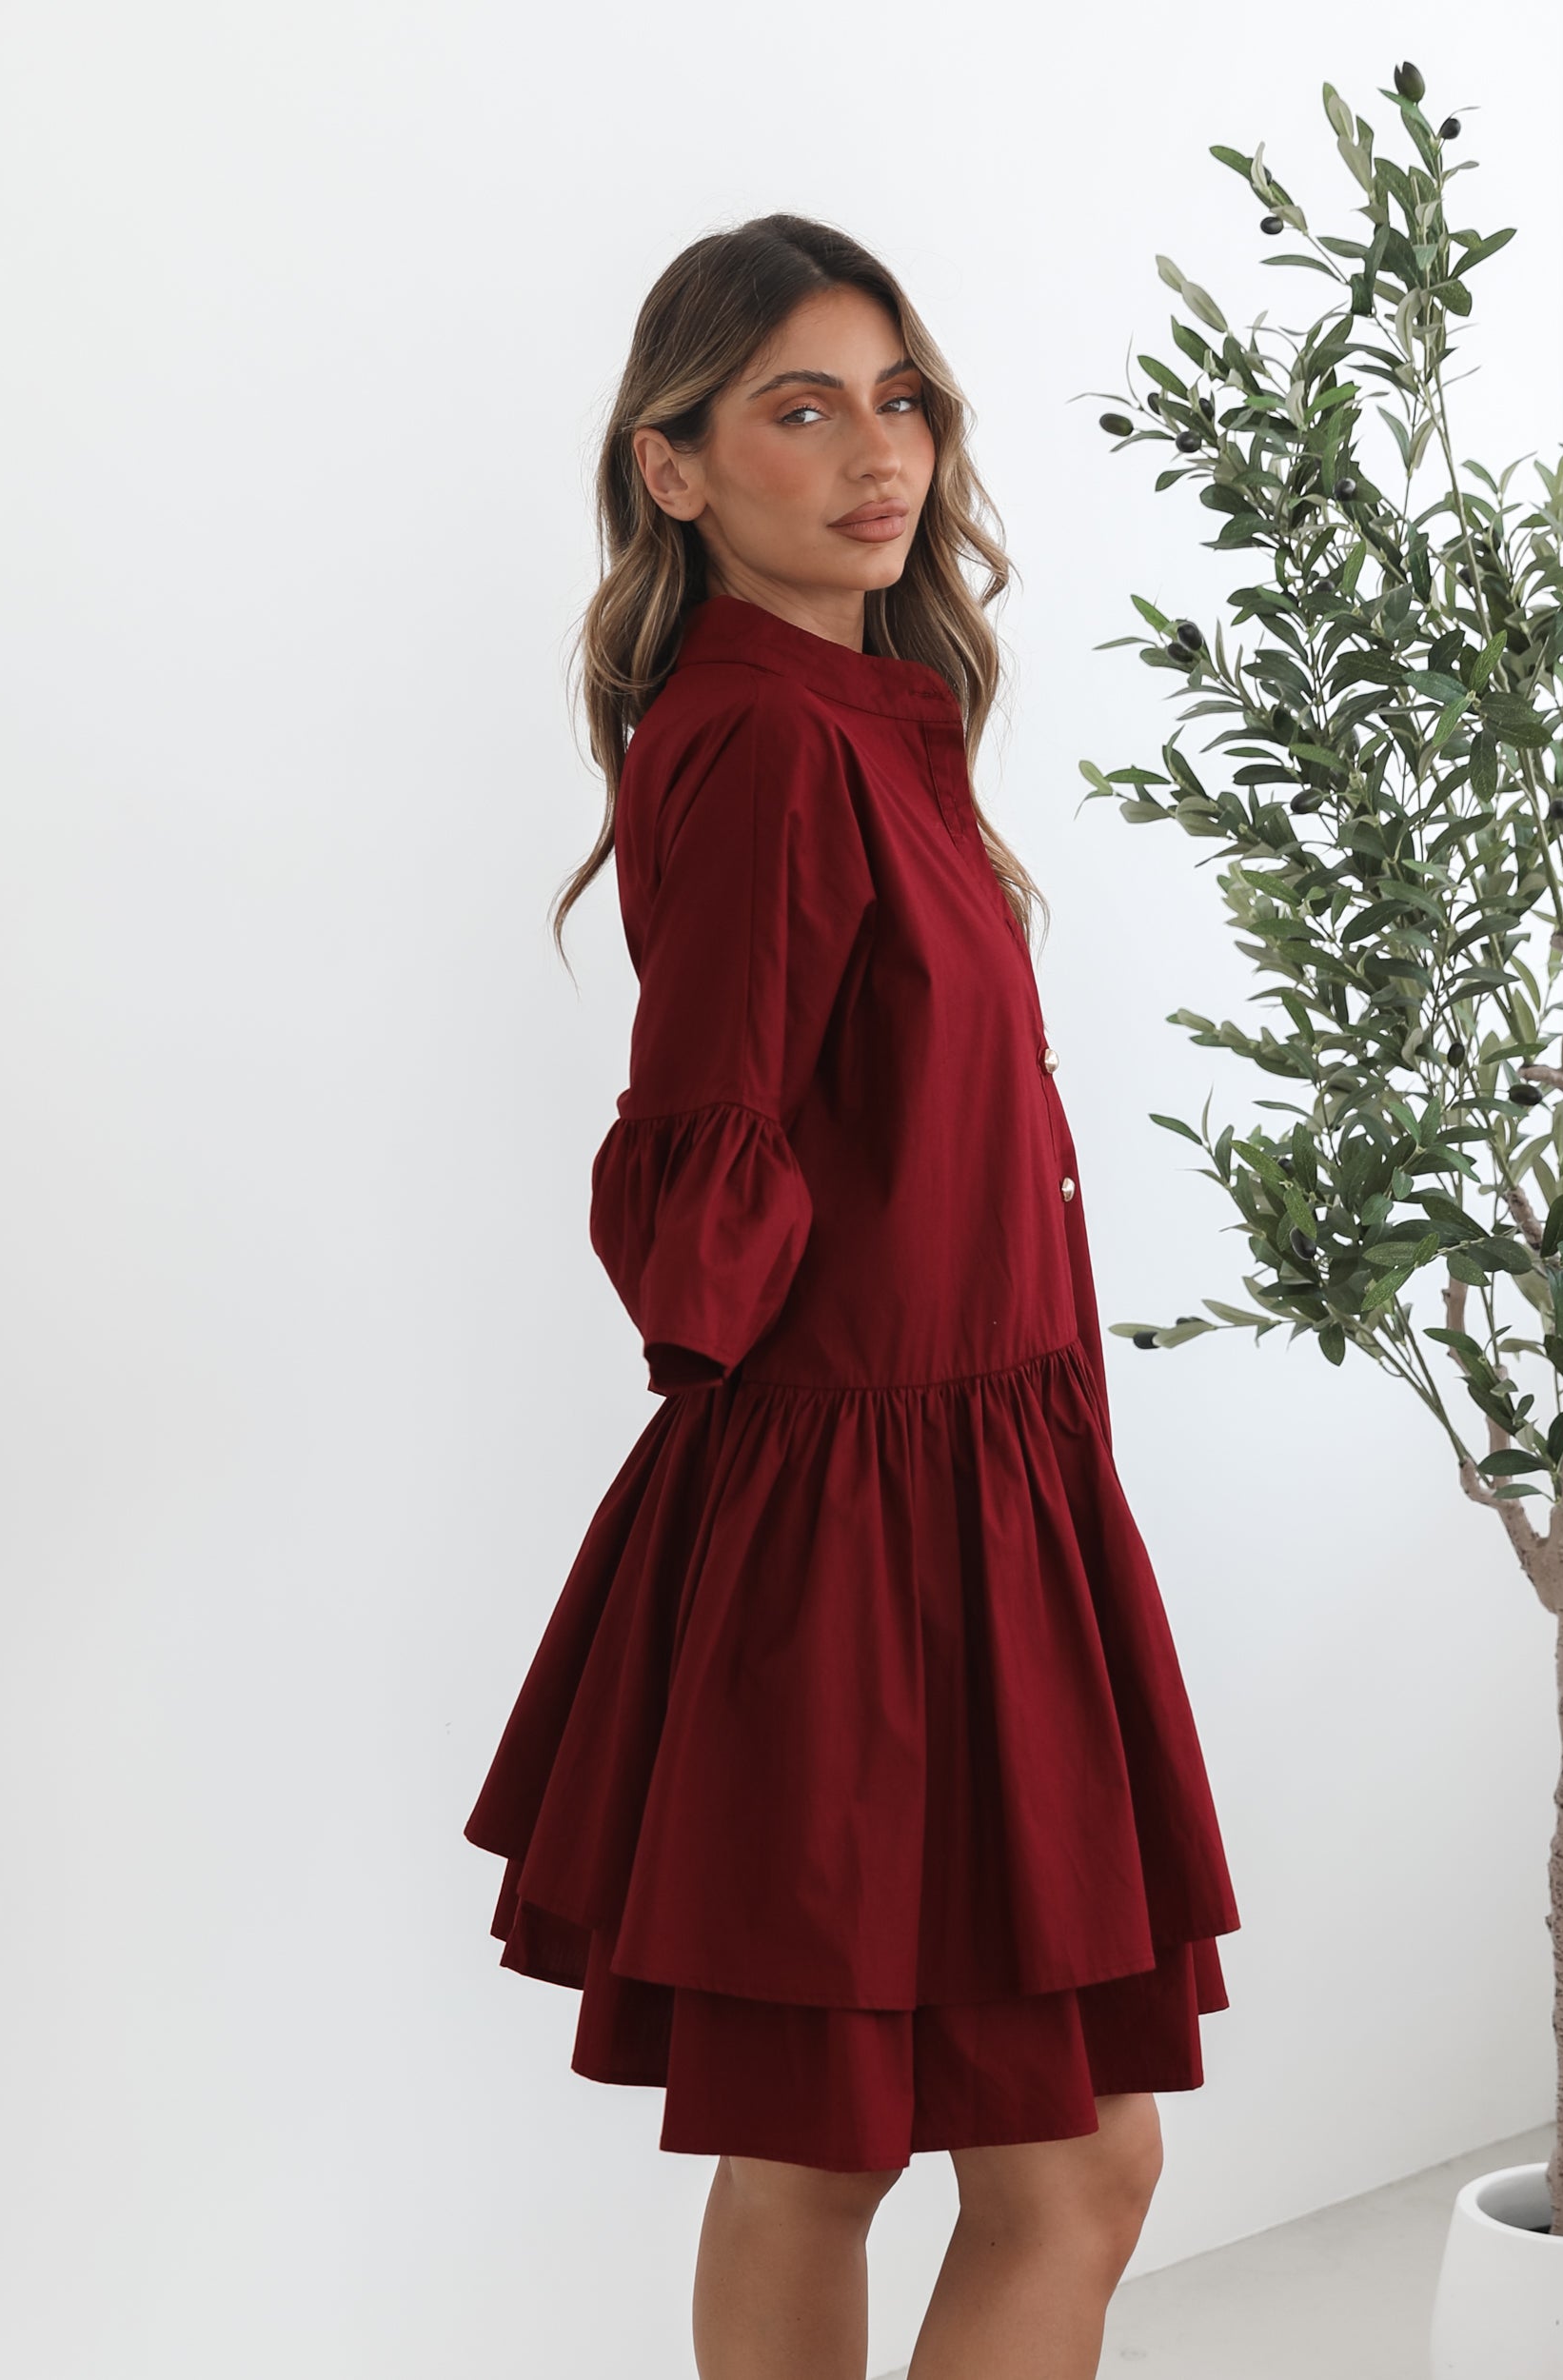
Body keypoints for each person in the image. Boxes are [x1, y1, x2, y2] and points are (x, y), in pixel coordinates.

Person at [464, 211, 1239, 2380]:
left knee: (949, 2158)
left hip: (973, 1494)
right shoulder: (764, 743)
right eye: (800, 409)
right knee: (898, 2156)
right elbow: (702, 1151)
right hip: (870, 1531)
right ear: (675, 465)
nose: (877, 454)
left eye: (900, 401)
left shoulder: (865, 719)